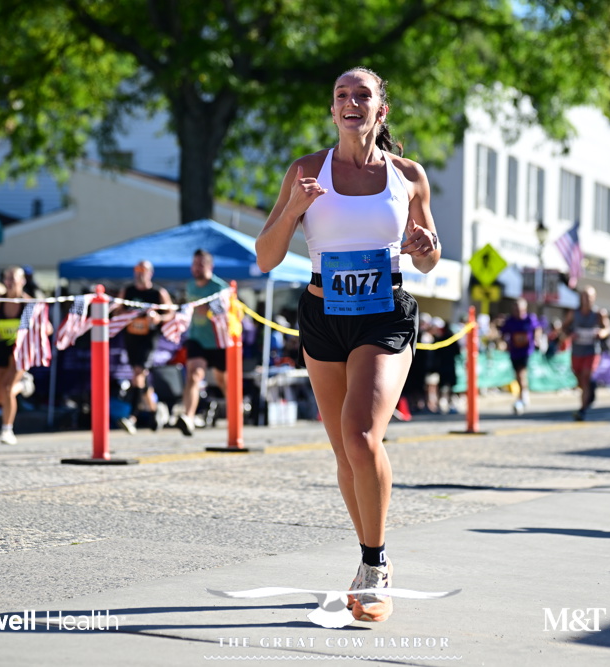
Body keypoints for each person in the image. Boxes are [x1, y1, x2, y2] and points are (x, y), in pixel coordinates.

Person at [255, 66, 440, 623]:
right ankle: (369, 558)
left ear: (381, 109)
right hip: (322, 314)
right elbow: (266, 257)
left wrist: (424, 246)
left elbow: (429, 259)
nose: (351, 102)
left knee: (362, 436)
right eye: (342, 95)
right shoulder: (305, 170)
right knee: (344, 451)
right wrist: (294, 208)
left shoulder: (408, 175)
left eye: (363, 95)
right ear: (333, 109)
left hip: (383, 314)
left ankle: (375, 566)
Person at [0, 266, 48, 445]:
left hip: (21, 352)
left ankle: (7, 429)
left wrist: (36, 331)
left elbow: (48, 328)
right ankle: (24, 384)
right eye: (7, 278)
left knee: (7, 389)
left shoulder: (29, 304)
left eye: (13, 278)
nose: (10, 282)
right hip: (2, 348)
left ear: (22, 281)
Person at [115, 260, 174, 434]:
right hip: (131, 337)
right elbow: (116, 310)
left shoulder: (157, 293)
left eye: (143, 270)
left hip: (148, 339)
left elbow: (170, 313)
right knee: (140, 377)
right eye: (137, 270)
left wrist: (158, 318)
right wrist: (128, 314)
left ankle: (132, 416)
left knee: (138, 373)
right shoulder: (127, 291)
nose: (140, 273)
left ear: (150, 273)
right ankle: (154, 412)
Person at [176, 249, 228, 436]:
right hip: (196, 338)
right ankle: (188, 417)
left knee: (223, 381)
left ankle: (236, 415)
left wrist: (208, 308)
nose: (197, 268)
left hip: (218, 341)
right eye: (194, 264)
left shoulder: (219, 287)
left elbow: (225, 311)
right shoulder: (190, 286)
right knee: (194, 375)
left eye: (201, 264)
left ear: (210, 266)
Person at [562, 286, 609, 421]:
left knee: (585, 377)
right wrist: (570, 334)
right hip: (577, 351)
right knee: (580, 379)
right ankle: (590, 391)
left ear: (594, 298)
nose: (587, 300)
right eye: (584, 296)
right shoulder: (574, 313)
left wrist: (601, 333)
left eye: (589, 297)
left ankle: (582, 410)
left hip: (591, 351)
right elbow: (564, 327)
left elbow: (607, 328)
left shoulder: (599, 314)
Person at [500, 298, 542, 414]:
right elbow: (503, 333)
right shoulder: (510, 321)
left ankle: (522, 397)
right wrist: (504, 343)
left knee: (521, 373)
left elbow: (537, 328)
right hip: (514, 351)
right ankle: (524, 393)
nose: (518, 312)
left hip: (526, 351)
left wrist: (536, 339)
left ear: (524, 309)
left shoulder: (530, 319)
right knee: (517, 375)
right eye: (515, 309)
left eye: (519, 309)